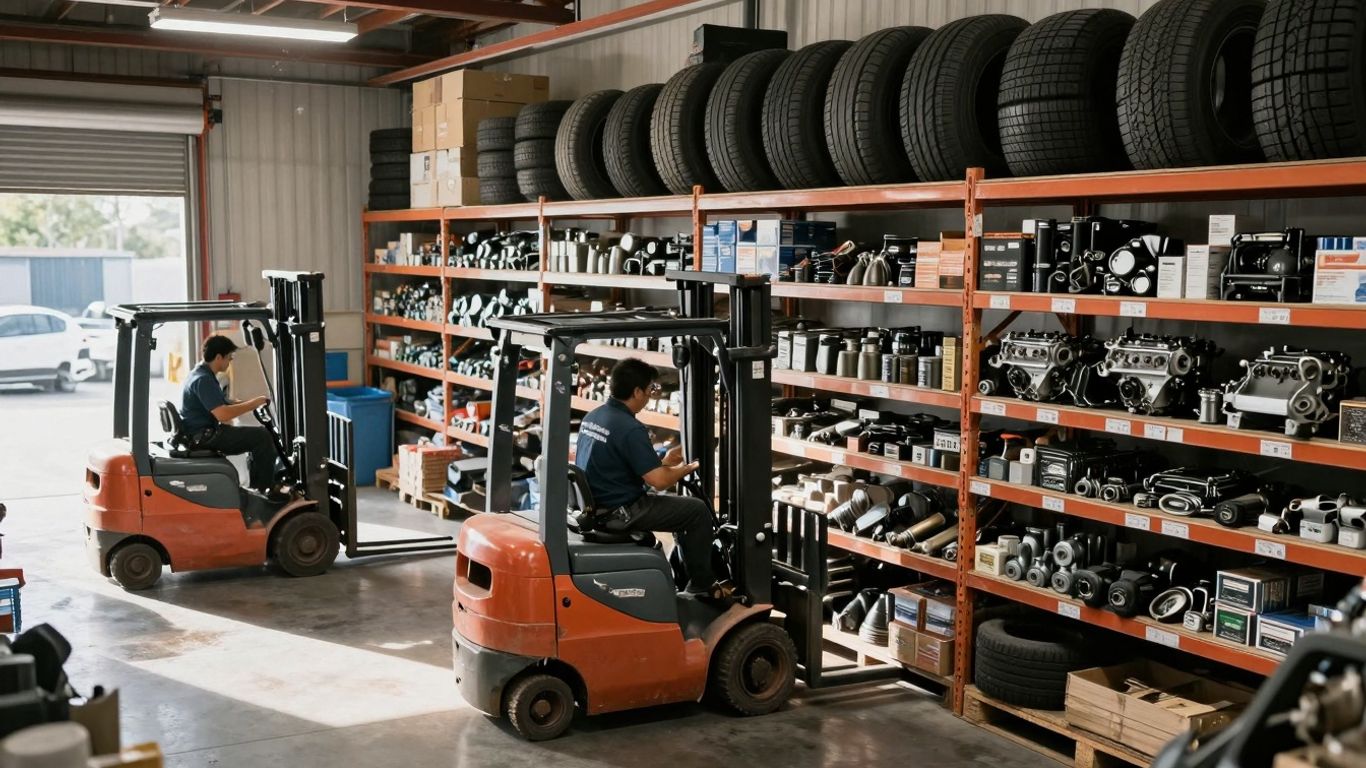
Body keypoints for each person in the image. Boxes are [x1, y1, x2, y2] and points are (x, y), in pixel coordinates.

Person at [574, 357, 724, 598]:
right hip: (623, 511)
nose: (648, 397)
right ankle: (702, 585)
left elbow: (628, 466)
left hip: (601, 504)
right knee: (696, 512)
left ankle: (683, 571)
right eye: (648, 390)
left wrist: (665, 462)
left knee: (679, 510)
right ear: (636, 391)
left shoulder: (594, 416)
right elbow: (660, 482)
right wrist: (686, 468)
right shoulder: (630, 428)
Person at [180, 334, 276, 492]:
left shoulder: (201, 374)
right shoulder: (203, 380)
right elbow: (223, 414)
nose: (230, 361)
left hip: (201, 432)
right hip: (205, 436)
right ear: (219, 357)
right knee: (263, 437)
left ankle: (258, 487)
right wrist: (253, 403)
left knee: (258, 436)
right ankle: (266, 490)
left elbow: (222, 403)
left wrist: (252, 402)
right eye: (229, 357)